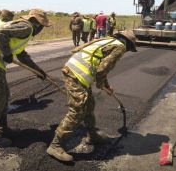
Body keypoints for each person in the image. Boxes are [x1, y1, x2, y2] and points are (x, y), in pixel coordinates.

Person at [46, 30, 137, 162]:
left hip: (76, 72)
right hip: (76, 74)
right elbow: (102, 70)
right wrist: (101, 84)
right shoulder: (120, 47)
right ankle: (55, 145)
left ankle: (92, 135)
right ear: (128, 44)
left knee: (89, 104)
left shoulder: (107, 40)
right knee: (77, 110)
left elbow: (101, 67)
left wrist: (106, 85)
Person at [0, 9, 50, 148]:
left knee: (4, 94)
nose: (41, 29)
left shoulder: (23, 29)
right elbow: (0, 33)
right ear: (37, 23)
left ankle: (3, 129)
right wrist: (6, 53)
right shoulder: (27, 27)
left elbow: (22, 55)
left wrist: (38, 71)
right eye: (42, 26)